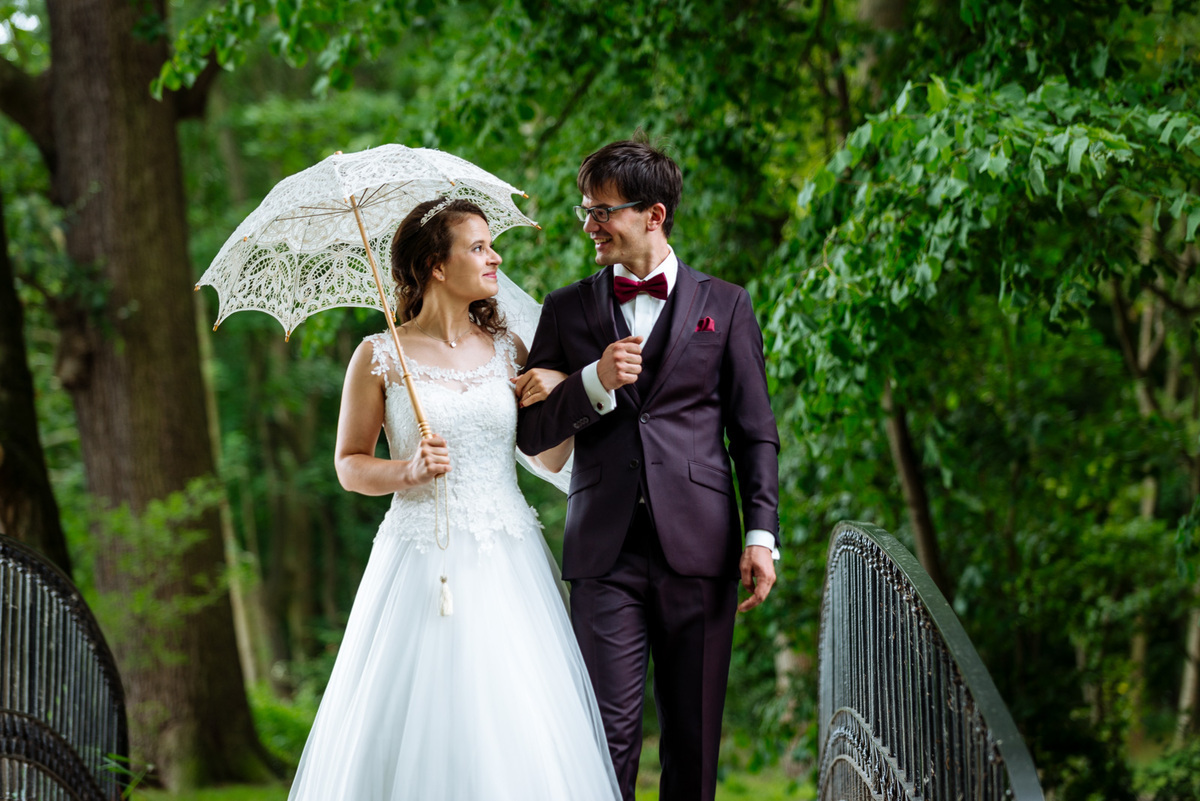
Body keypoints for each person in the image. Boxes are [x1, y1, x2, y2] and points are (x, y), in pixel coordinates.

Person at [287, 197, 621, 801]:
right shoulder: (378, 355)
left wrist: (570, 391)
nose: (495, 257)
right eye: (478, 247)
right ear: (436, 265)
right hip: (418, 562)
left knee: (516, 723)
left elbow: (548, 458)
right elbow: (348, 466)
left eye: (491, 245)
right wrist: (408, 470)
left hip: (507, 561)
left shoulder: (510, 350)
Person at [515, 138, 781, 801]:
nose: (589, 225)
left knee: (694, 742)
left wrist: (761, 536)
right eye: (585, 209)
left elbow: (755, 433)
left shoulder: (729, 304)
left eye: (602, 211)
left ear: (653, 213)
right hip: (605, 555)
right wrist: (593, 383)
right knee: (605, 737)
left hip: (702, 548)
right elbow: (533, 434)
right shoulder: (567, 308)